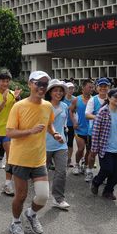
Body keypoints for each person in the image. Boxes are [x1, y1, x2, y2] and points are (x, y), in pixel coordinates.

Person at [7, 71, 63, 234]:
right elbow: (9, 133)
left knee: (43, 195)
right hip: (20, 158)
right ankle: (15, 222)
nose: (41, 88)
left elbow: (49, 124)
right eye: (38, 84)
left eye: (45, 85)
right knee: (21, 195)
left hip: (39, 159)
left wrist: (55, 134)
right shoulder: (19, 106)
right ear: (30, 84)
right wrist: (30, 131)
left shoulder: (47, 106)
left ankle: (31, 214)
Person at [90, 89, 117, 200]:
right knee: (107, 169)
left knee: (116, 172)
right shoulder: (102, 112)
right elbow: (95, 132)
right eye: (116, 97)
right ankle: (96, 182)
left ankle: (108, 191)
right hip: (105, 147)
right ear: (109, 98)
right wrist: (94, 150)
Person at [0, 69, 20, 194]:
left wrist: (17, 100)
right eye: (3, 81)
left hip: (8, 131)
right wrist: (4, 101)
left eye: (7, 81)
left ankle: (7, 183)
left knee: (10, 156)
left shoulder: (13, 94)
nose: (5, 84)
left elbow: (17, 112)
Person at [45, 79, 70, 209]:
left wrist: (63, 132)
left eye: (61, 91)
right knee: (43, 173)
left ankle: (58, 198)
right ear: (50, 92)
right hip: (45, 145)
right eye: (55, 90)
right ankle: (40, 195)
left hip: (61, 144)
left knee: (61, 171)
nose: (58, 93)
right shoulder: (44, 105)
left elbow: (63, 123)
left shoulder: (65, 106)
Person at [84, 77, 110, 182]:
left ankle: (102, 174)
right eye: (101, 86)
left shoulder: (112, 98)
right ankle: (89, 171)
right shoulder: (93, 99)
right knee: (92, 153)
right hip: (94, 132)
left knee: (105, 154)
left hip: (108, 132)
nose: (103, 88)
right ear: (97, 88)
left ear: (109, 87)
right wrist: (99, 118)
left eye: (105, 86)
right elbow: (87, 114)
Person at [69, 79, 93, 176]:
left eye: (92, 87)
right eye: (89, 87)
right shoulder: (76, 99)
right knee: (80, 148)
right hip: (79, 128)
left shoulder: (94, 99)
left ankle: (85, 165)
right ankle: (77, 164)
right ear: (83, 88)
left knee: (89, 150)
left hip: (91, 129)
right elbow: (71, 111)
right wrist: (74, 122)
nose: (92, 89)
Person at [62, 81, 76, 167]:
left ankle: (69, 159)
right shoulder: (62, 99)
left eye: (72, 88)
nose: (71, 90)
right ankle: (61, 160)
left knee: (70, 142)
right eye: (69, 88)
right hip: (62, 124)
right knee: (62, 142)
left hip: (71, 124)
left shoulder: (75, 99)